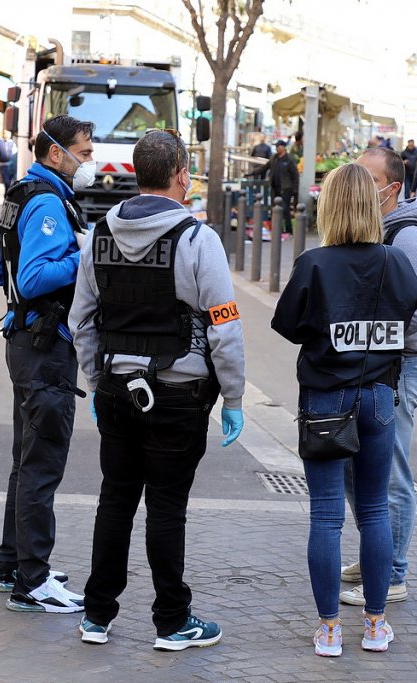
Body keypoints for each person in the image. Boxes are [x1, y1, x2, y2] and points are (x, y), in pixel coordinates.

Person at [70, 129, 246, 651]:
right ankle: (172, 621)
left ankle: (96, 616)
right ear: (180, 176)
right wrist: (233, 398)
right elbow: (224, 325)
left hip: (117, 393)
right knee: (166, 507)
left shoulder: (99, 234)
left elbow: (82, 322)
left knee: (115, 500)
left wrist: (99, 382)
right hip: (177, 395)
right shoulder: (198, 240)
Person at [272, 162, 417, 657]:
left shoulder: (314, 263)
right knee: (375, 510)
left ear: (330, 206)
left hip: (325, 398)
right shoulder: (395, 262)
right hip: (379, 395)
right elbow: (411, 313)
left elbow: (288, 324)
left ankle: (331, 629)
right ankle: (376, 625)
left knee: (325, 516)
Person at [0, 115, 96, 614]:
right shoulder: (50, 203)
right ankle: (32, 581)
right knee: (42, 465)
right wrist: (85, 254)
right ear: (57, 153)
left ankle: (13, 565)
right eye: (84, 151)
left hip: (23, 341)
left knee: (24, 460)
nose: (89, 161)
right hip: (45, 347)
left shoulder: (21, 193)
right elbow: (31, 279)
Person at [338, 147, 417, 611]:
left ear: (391, 188)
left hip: (400, 367)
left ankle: (393, 572)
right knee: (356, 470)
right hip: (370, 365)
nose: (357, 185)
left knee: (390, 472)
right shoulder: (372, 228)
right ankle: (374, 554)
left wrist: (359, 318)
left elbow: (416, 318)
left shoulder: (409, 239)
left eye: (366, 178)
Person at [250, 139, 299, 232]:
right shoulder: (274, 158)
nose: (277, 148)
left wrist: (295, 190)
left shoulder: (289, 159)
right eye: (276, 146)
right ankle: (277, 229)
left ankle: (288, 229)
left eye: (278, 146)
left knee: (285, 209)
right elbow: (264, 168)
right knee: (274, 209)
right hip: (274, 187)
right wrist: (252, 173)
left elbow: (295, 175)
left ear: (283, 147)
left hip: (286, 188)